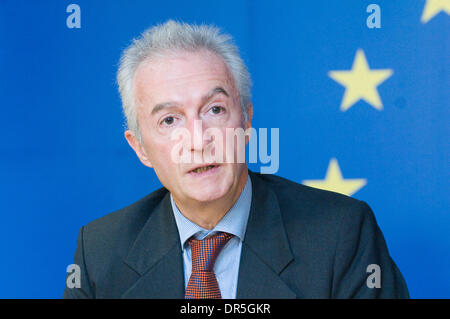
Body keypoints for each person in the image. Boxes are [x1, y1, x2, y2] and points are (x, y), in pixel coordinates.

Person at [63, 20, 409, 299]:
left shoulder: (342, 234)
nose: (198, 140)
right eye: (170, 120)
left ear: (245, 122)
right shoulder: (99, 253)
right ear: (140, 147)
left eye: (215, 110)